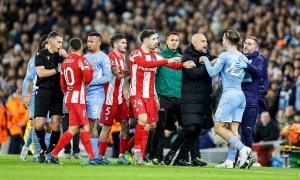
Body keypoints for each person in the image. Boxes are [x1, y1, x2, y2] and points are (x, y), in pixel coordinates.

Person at [129, 29, 196, 165]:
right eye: (154, 39)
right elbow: (145, 64)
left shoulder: (156, 57)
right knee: (143, 120)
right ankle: (137, 153)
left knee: (151, 125)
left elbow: (172, 65)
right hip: (137, 93)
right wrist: (166, 60)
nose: (156, 41)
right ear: (146, 40)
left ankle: (136, 153)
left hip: (150, 96)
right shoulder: (135, 53)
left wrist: (183, 64)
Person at [200, 30, 254, 169]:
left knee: (218, 128)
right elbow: (249, 77)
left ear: (228, 41)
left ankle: (243, 149)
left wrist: (205, 59)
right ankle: (230, 161)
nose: (222, 42)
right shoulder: (243, 57)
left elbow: (212, 72)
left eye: (223, 39)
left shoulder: (224, 56)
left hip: (229, 95)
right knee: (233, 130)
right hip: (240, 96)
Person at [46, 37, 102, 165]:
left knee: (73, 129)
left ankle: (53, 154)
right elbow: (87, 79)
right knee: (86, 126)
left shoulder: (65, 62)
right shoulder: (82, 60)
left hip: (69, 97)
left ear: (70, 49)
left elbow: (62, 84)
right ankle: (92, 158)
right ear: (81, 48)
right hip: (78, 98)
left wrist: (69, 91)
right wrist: (91, 69)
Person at [164, 33, 215, 166]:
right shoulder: (186, 57)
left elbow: (217, 59)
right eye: (203, 41)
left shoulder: (206, 55)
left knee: (196, 129)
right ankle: (172, 152)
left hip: (203, 99)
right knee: (190, 127)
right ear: (195, 44)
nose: (206, 43)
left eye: (206, 41)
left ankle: (181, 159)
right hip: (190, 98)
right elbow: (195, 73)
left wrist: (208, 60)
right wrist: (208, 63)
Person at [150, 32, 183, 165]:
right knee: (160, 127)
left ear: (179, 42)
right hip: (164, 97)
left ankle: (181, 157)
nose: (174, 42)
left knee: (187, 127)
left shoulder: (182, 58)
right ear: (167, 42)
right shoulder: (160, 57)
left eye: (176, 40)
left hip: (179, 98)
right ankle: (156, 156)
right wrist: (155, 96)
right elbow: (152, 77)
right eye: (172, 40)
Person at [34, 31, 68, 163]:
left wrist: (66, 56)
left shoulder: (61, 55)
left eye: (62, 42)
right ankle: (42, 148)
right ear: (50, 41)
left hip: (57, 92)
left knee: (56, 124)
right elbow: (41, 73)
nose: (61, 44)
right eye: (59, 42)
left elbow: (75, 65)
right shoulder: (40, 55)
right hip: (42, 91)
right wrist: (56, 70)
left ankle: (52, 153)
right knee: (39, 124)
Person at [98, 34, 131, 165]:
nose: (125, 45)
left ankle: (122, 155)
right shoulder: (110, 58)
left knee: (125, 124)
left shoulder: (122, 58)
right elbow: (118, 75)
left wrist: (126, 91)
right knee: (107, 127)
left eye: (126, 43)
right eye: (123, 43)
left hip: (120, 98)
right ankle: (100, 156)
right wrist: (137, 70)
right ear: (116, 44)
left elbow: (123, 79)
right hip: (109, 99)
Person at [20, 34, 48, 162]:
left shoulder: (54, 59)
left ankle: (26, 146)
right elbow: (27, 79)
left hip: (49, 95)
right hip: (36, 95)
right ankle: (37, 154)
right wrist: (23, 96)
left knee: (44, 126)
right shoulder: (35, 59)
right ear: (44, 45)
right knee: (37, 125)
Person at [84, 32, 112, 159]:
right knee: (82, 126)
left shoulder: (104, 58)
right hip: (82, 95)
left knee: (93, 125)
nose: (89, 44)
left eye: (92, 41)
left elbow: (108, 77)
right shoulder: (84, 57)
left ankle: (94, 157)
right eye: (88, 41)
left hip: (96, 95)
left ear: (99, 42)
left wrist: (91, 82)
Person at [237, 36, 266, 149]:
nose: (245, 45)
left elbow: (259, 72)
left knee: (247, 130)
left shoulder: (260, 59)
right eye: (245, 43)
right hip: (238, 98)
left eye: (249, 44)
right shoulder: (240, 57)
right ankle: (239, 157)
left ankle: (248, 157)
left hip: (251, 100)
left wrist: (247, 66)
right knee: (239, 130)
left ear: (256, 47)